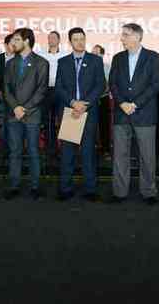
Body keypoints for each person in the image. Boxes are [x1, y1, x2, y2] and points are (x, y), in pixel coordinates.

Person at [108, 23, 159, 205]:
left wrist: (135, 104)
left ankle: (148, 192)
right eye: (122, 35)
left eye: (125, 35)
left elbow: (155, 85)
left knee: (147, 156)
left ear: (137, 37)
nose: (121, 38)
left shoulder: (153, 57)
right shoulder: (117, 58)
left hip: (144, 115)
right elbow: (113, 84)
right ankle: (119, 192)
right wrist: (122, 102)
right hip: (122, 114)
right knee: (120, 156)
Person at [55, 28, 106, 201]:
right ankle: (65, 189)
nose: (80, 42)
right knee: (68, 153)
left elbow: (100, 85)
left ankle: (90, 190)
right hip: (70, 112)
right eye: (76, 39)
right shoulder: (63, 62)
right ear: (70, 42)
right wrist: (73, 103)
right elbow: (59, 87)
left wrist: (85, 104)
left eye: (82, 39)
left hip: (88, 112)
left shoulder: (95, 61)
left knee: (88, 153)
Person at [3, 28, 49, 201]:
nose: (13, 43)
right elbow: (6, 89)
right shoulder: (10, 63)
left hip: (32, 114)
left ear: (27, 41)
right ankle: (14, 185)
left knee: (33, 151)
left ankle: (35, 186)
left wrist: (25, 109)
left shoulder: (41, 63)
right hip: (13, 114)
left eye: (16, 39)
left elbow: (41, 90)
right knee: (14, 151)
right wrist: (16, 107)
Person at [40, 30, 67, 159]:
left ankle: (64, 150)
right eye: (49, 38)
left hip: (61, 91)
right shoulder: (41, 54)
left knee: (62, 120)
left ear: (58, 40)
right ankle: (50, 149)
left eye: (53, 38)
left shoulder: (65, 54)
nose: (51, 40)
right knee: (48, 121)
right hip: (46, 91)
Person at [0, 33, 15, 151]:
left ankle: (13, 150)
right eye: (11, 43)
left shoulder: (19, 58)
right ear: (6, 45)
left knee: (14, 124)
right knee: (1, 123)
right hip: (1, 96)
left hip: (16, 99)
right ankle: (2, 150)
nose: (14, 45)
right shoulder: (0, 58)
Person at [92, 44, 111, 155]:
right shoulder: (88, 66)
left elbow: (109, 84)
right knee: (91, 125)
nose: (93, 55)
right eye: (92, 53)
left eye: (96, 53)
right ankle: (92, 147)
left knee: (104, 125)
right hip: (91, 100)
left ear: (102, 54)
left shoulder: (107, 67)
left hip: (103, 99)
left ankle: (106, 149)